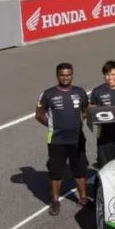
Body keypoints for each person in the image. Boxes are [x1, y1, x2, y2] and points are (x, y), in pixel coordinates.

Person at [35, 62, 89, 216]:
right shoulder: (48, 94)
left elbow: (86, 110)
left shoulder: (80, 92)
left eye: (68, 75)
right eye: (62, 75)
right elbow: (39, 115)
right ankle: (55, 201)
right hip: (56, 140)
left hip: (77, 139)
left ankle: (83, 198)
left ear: (72, 75)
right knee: (56, 172)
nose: (65, 78)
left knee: (79, 170)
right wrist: (53, 126)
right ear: (57, 76)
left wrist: (78, 121)